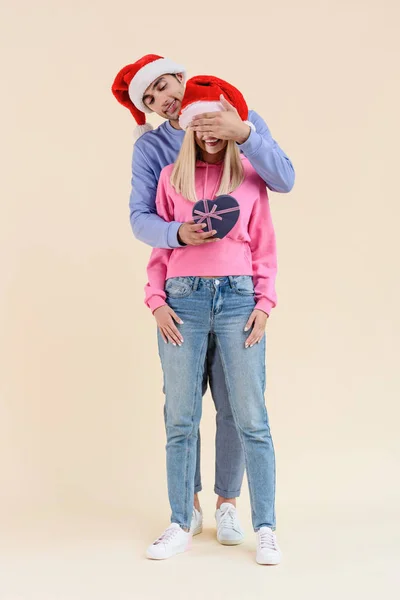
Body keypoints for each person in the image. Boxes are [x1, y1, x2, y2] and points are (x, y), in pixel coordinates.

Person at [111, 54, 294, 546]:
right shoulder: (159, 157)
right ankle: (184, 511)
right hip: (183, 292)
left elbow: (277, 191)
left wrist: (244, 132)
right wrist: (177, 241)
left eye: (163, 86)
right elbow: (145, 224)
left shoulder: (236, 120)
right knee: (181, 410)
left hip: (236, 293)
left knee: (241, 408)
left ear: (182, 79)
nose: (160, 100)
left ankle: (232, 506)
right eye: (148, 99)